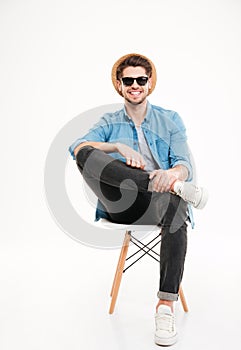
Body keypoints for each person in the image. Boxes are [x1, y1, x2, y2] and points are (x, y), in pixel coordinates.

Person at [69, 53, 208, 346]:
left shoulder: (169, 120)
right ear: (120, 85)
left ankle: (165, 307)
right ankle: (173, 188)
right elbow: (77, 147)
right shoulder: (109, 121)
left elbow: (185, 165)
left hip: (159, 204)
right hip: (119, 203)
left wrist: (173, 174)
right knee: (84, 154)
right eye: (128, 80)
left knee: (176, 206)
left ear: (149, 83)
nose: (135, 85)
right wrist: (116, 145)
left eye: (140, 80)